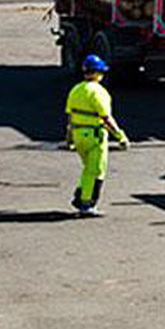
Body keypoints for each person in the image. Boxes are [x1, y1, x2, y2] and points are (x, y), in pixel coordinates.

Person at [65, 54, 131, 215]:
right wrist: (120, 136)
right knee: (96, 171)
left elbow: (70, 118)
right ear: (97, 73)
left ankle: (80, 196)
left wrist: (69, 139)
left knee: (88, 169)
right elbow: (106, 118)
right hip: (95, 136)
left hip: (79, 135)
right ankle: (87, 204)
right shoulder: (99, 92)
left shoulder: (75, 90)